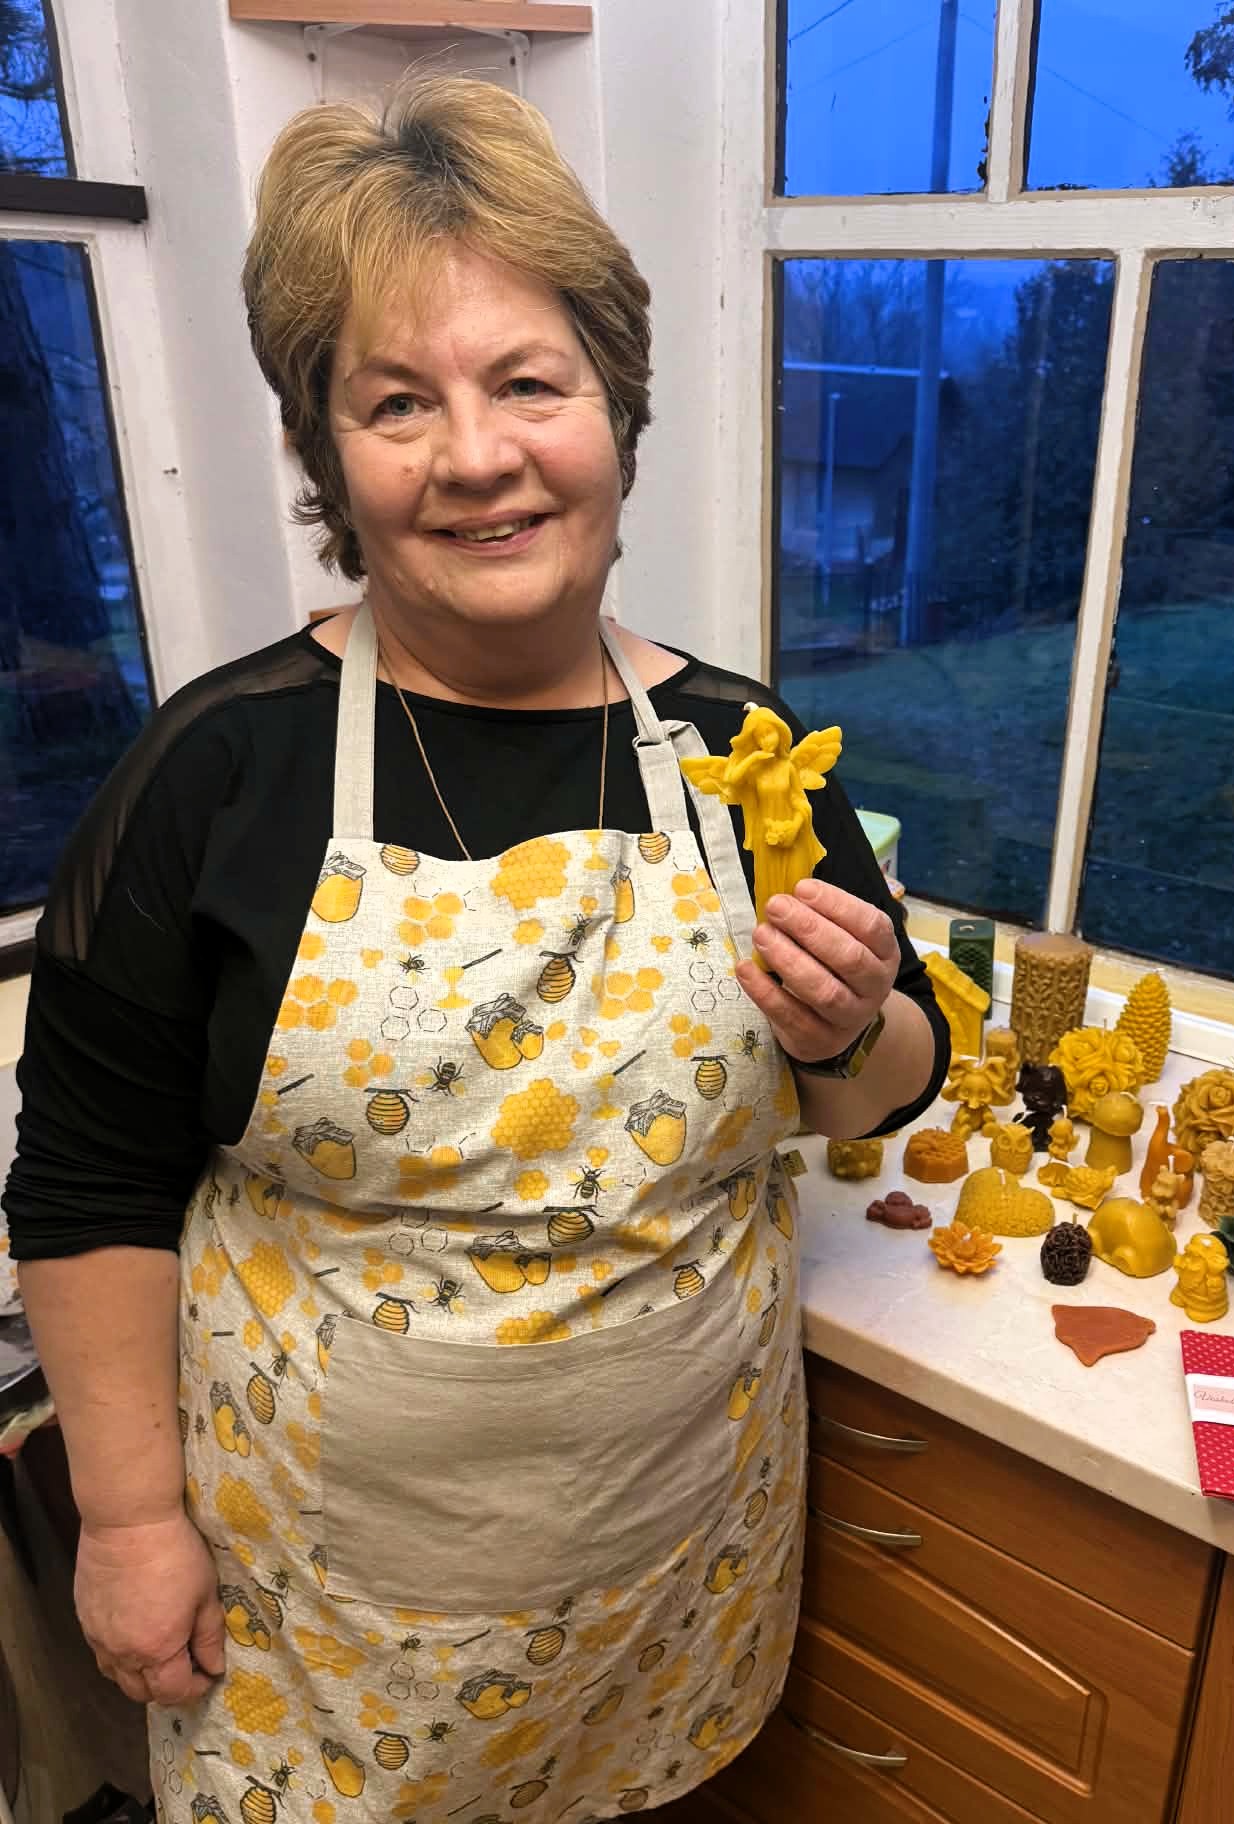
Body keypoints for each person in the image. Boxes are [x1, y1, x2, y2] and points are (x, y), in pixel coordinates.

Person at [3, 77, 948, 1821]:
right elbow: (86, 1181)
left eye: (529, 382)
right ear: (329, 460)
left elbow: (889, 1082)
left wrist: (848, 1027)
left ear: (616, 415)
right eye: (396, 402)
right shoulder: (218, 771)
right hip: (323, 1622)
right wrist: (128, 1523)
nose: (477, 455)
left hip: (679, 1568)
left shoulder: (740, 748)